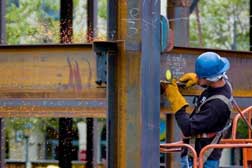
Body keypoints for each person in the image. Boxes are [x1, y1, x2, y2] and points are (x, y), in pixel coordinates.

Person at [162, 52, 233, 168]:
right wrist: (199, 80)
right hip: (197, 153)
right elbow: (211, 84)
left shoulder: (217, 106)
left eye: (199, 76)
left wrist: (176, 100)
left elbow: (188, 128)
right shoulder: (223, 85)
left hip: (201, 160)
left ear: (209, 78)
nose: (197, 76)